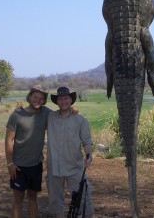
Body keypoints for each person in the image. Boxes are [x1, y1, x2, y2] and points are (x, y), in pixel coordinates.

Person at [46, 87, 94, 218]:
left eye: (66, 98)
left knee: (83, 196)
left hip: (75, 166)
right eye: (60, 99)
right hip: (54, 167)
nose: (63, 101)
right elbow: (35, 110)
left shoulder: (80, 119)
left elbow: (87, 141)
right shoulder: (50, 116)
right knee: (56, 201)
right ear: (57, 101)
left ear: (71, 100)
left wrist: (89, 156)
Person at [5, 85, 50, 218]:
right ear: (29, 97)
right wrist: (10, 164)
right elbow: (8, 141)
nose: (38, 100)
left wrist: (73, 110)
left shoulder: (46, 113)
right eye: (35, 97)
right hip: (18, 166)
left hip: (36, 165)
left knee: (32, 197)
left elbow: (61, 114)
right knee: (17, 200)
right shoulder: (17, 115)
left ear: (44, 101)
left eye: (41, 98)